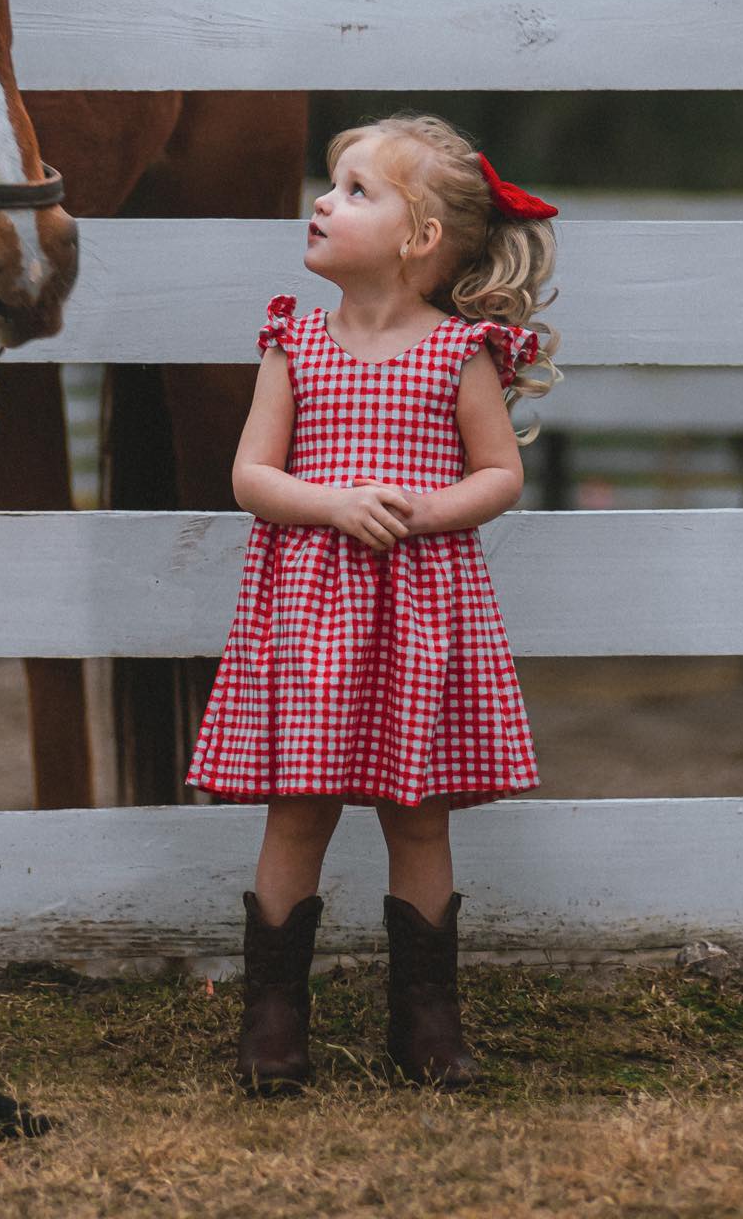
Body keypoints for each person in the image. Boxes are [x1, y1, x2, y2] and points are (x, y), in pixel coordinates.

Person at [186, 111, 562, 1095]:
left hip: (421, 611)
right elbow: (250, 476)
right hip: (310, 611)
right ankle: (272, 1020)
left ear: (418, 237)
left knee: (419, 812)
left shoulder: (458, 352)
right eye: (329, 181)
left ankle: (426, 1021)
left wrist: (427, 509)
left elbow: (498, 474)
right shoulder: (293, 342)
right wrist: (335, 502)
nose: (323, 198)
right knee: (296, 806)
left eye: (355, 189)